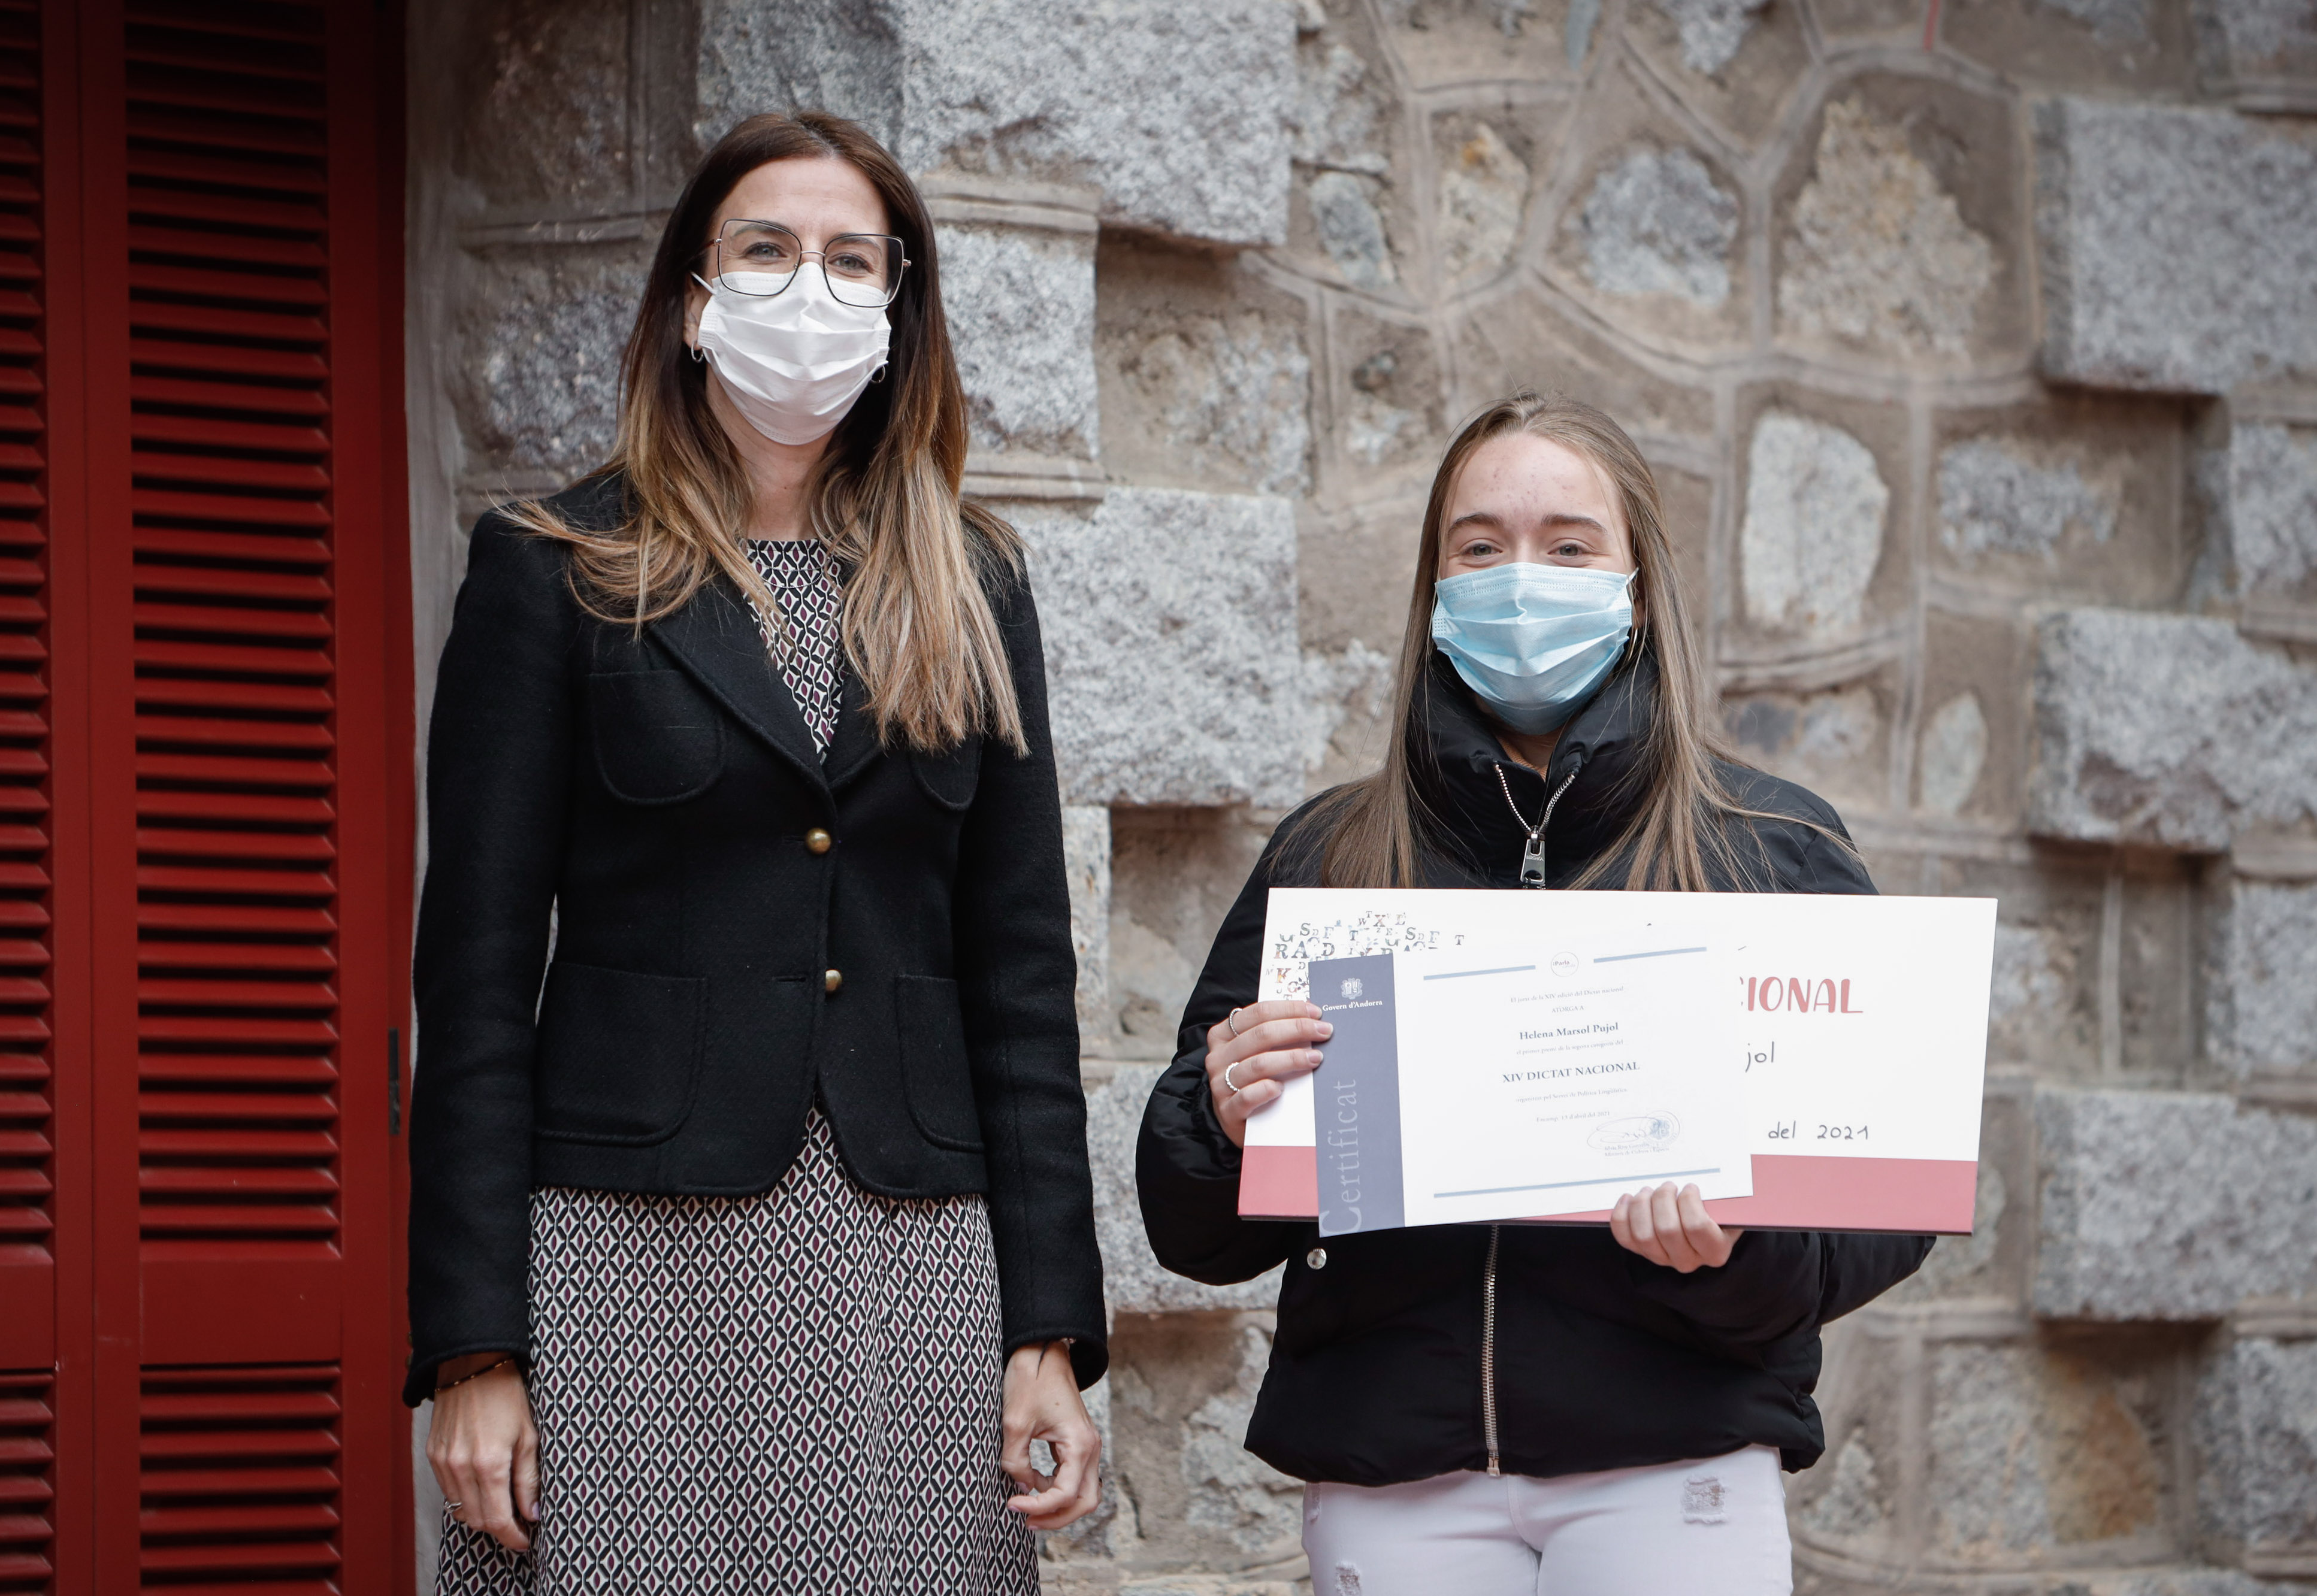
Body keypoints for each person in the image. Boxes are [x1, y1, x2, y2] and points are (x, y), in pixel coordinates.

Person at [407, 111, 1105, 1596]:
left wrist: (1048, 1326)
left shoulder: (973, 584)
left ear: (899, 306)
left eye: (853, 258)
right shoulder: (550, 567)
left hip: (914, 1253)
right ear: (690, 297)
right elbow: (471, 987)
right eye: (769, 249)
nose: (812, 286)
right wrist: (473, 1345)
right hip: (622, 1260)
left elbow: (1022, 973)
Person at [1135, 392, 1932, 1595]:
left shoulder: (1769, 845)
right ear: (1433, 584)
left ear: (1635, 589)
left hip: (1675, 1467)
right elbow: (1192, 1232)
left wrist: (1734, 1248)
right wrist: (1219, 1115)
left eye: (1568, 545)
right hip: (1394, 1474)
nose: (1521, 578)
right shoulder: (1331, 857)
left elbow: (1885, 1198)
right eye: (1479, 546)